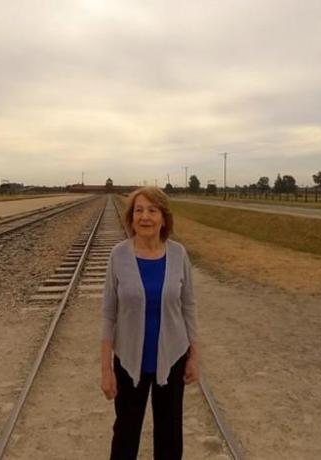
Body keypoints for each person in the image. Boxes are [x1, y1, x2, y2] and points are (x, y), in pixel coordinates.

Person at [101, 186, 199, 460]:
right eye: (139, 211)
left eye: (152, 210)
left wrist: (194, 356)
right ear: (131, 218)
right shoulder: (118, 256)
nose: (145, 217)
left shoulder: (179, 254)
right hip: (130, 360)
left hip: (172, 357)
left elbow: (189, 306)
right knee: (125, 434)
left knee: (170, 435)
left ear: (164, 218)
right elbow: (108, 313)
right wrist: (105, 368)